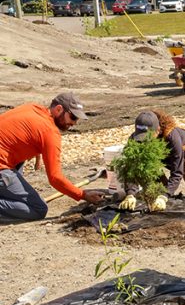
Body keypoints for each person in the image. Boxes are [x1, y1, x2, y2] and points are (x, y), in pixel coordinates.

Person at [0, 92, 106, 223]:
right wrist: (82, 195)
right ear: (59, 109)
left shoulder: (32, 108)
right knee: (38, 209)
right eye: (73, 117)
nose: (74, 123)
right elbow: (55, 178)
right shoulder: (50, 132)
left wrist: (36, 153)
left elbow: (20, 133)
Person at [117, 110, 185, 212]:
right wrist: (130, 194)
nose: (144, 141)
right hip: (164, 158)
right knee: (154, 192)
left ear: (158, 130)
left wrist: (164, 196)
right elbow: (131, 168)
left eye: (148, 137)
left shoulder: (172, 136)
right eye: (141, 136)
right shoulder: (135, 139)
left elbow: (177, 172)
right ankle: (165, 194)